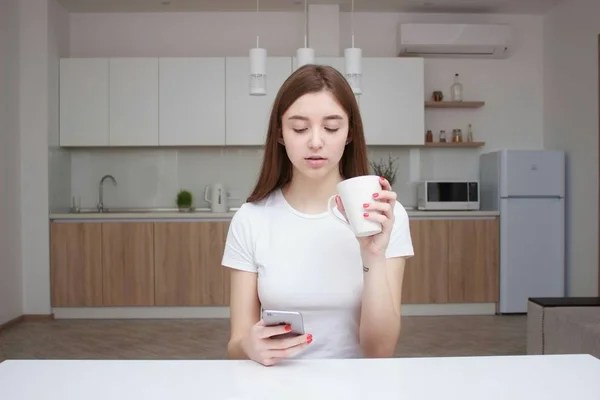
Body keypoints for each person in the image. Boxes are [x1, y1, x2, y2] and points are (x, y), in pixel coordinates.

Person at [221, 64, 414, 366]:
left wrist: (373, 257)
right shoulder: (251, 219)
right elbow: (235, 346)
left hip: (357, 387)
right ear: (281, 134)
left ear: (349, 132)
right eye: (299, 128)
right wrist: (248, 345)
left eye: (332, 127)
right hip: (276, 387)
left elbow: (380, 352)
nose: (315, 141)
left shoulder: (384, 215)